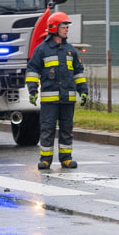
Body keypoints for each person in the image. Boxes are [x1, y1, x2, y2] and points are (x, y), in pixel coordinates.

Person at [26, 11, 88, 170]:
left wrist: (83, 90)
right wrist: (32, 90)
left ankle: (66, 159)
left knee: (67, 128)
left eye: (67, 26)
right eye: (63, 26)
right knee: (47, 128)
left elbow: (78, 72)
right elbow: (33, 70)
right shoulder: (42, 49)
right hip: (50, 100)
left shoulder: (70, 50)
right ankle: (45, 159)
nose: (66, 29)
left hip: (68, 98)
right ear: (54, 28)